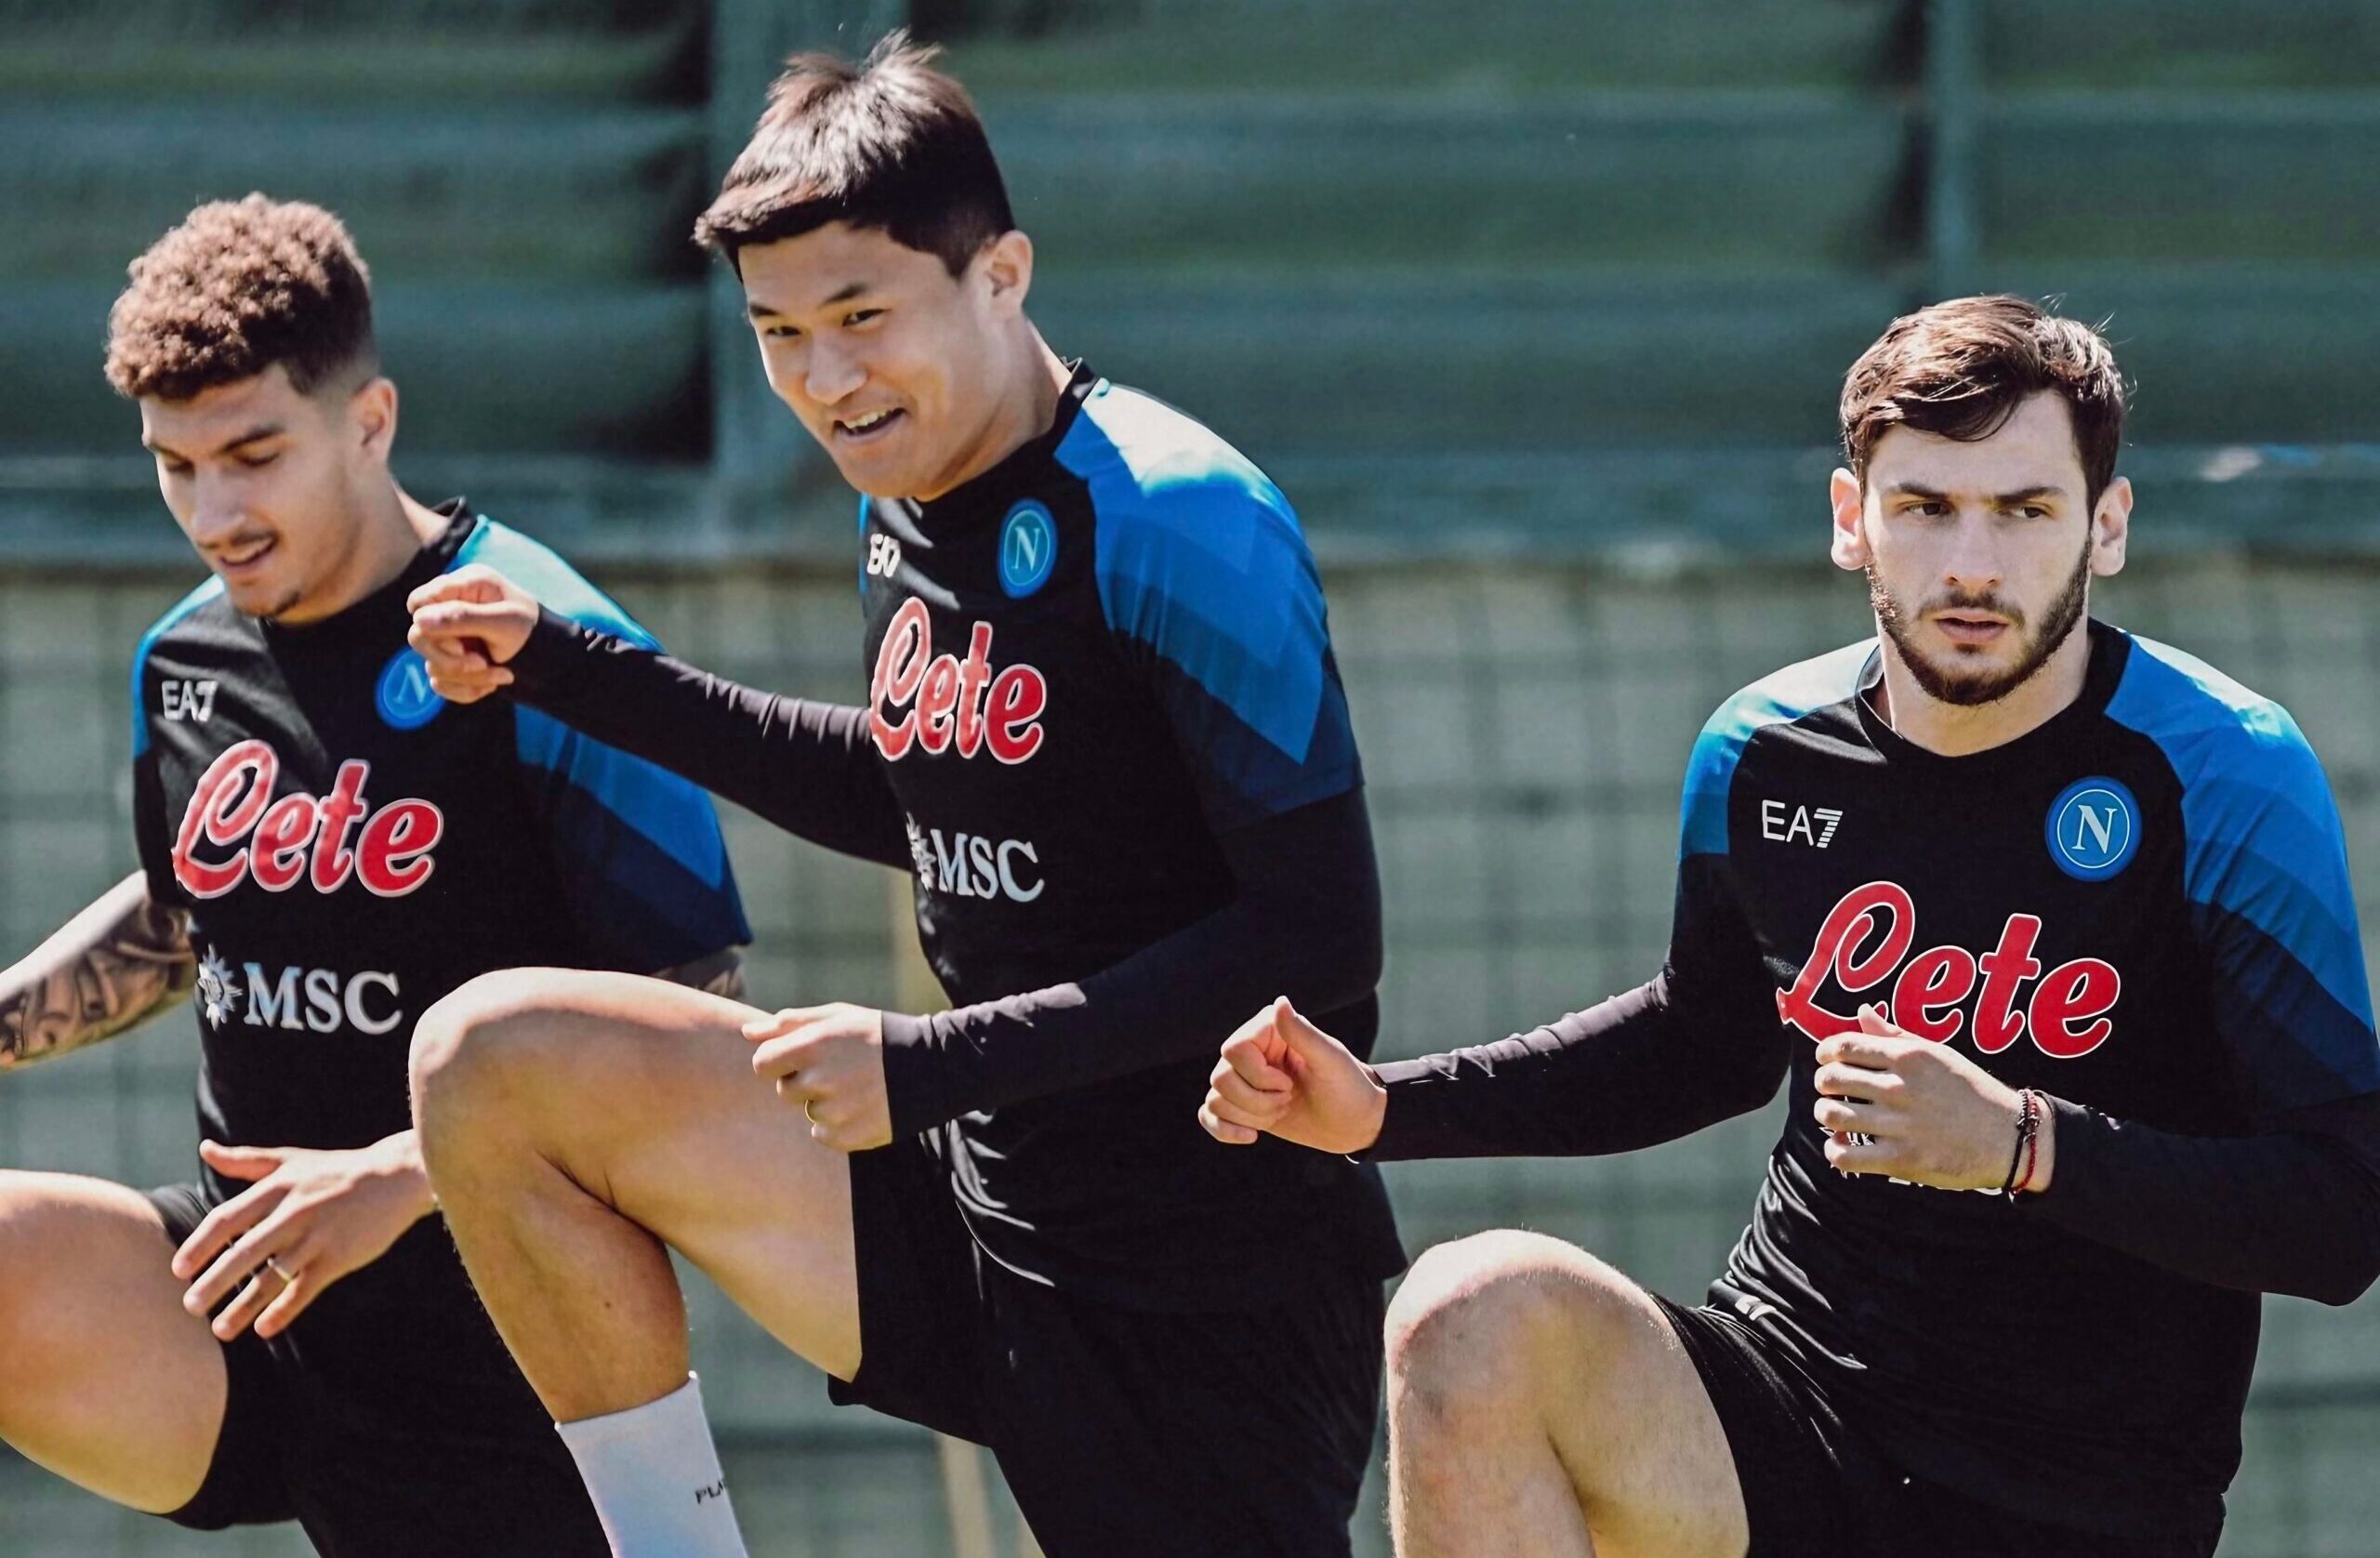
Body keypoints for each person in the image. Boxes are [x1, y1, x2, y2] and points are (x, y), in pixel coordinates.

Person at [402, 33, 1403, 1558]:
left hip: (1206, 1286)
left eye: (864, 316)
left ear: (1000, 273)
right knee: (497, 1058)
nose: (825, 378)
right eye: (777, 331)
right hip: (970, 1201)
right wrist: (567, 666)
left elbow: (1320, 938)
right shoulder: (903, 498)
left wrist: (932, 1062)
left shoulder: (1177, 515)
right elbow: (919, 795)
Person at [1198, 296, 2380, 1558]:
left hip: (2083, 1496)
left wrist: (2020, 1143)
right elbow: (1700, 1044)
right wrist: (1381, 1108)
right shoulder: (1761, 755)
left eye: (2024, 511)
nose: (1971, 564)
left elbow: (2342, 1212)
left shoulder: (2225, 775)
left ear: (2107, 524)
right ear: (1849, 521)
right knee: (1464, 1312)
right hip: (1792, 1411)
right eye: (1925, 507)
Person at [0, 194, 751, 1558]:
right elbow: (186, 914)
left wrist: (408, 1176)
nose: (214, 512)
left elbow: (701, 1027)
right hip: (253, 1307)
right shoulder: (181, 661)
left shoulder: (546, 642)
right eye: (175, 465)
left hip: (516, 1350)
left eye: (253, 453)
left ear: (370, 420)